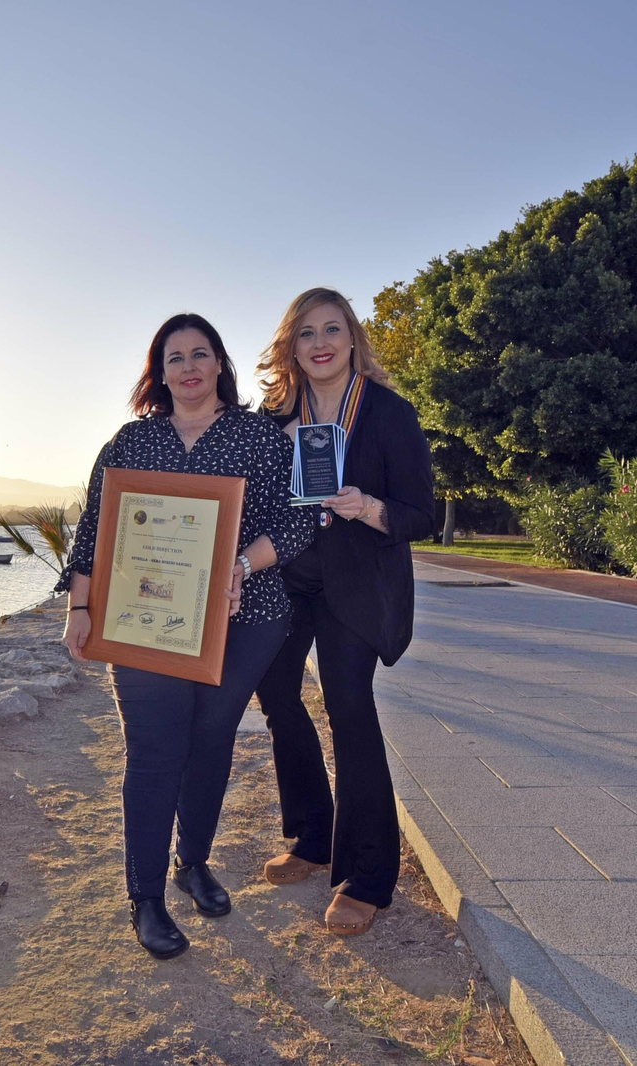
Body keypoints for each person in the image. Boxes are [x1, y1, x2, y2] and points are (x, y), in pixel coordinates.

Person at [60, 313, 313, 959]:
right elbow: (95, 528)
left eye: (200, 353)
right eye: (175, 358)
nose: (189, 366)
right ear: (160, 372)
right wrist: (80, 606)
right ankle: (144, 896)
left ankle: (191, 861)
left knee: (210, 741)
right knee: (152, 751)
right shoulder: (131, 442)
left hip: (247, 616)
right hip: (142, 621)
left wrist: (239, 565)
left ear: (220, 363)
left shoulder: (259, 437)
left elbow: (298, 520)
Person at [252, 287, 435, 936]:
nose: (320, 342)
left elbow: (422, 513)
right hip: (290, 579)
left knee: (349, 706)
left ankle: (367, 877)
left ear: (353, 338)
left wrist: (369, 507)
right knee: (275, 691)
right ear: (291, 347)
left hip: (356, 583)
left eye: (332, 329)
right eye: (306, 333)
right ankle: (312, 836)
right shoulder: (276, 417)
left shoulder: (388, 413)